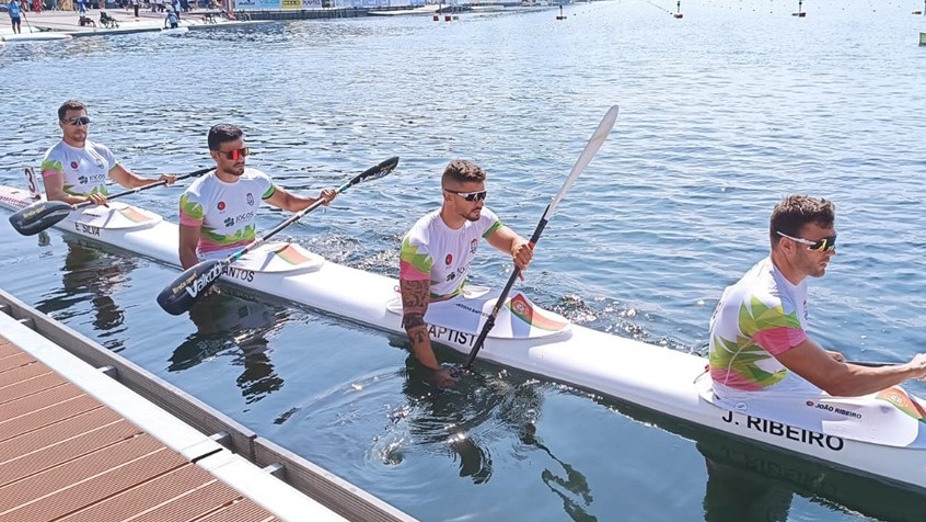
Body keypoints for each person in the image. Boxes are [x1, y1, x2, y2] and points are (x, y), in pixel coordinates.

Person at [708, 195, 926, 401]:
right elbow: (838, 383)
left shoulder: (787, 275)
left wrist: (817, 356)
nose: (831, 253)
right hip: (744, 397)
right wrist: (913, 369)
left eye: (832, 242)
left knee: (887, 393)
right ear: (787, 245)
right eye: (821, 245)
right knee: (882, 403)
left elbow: (776, 336)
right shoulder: (766, 302)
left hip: (775, 378)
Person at [399, 159, 533, 386]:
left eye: (483, 195)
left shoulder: (480, 218)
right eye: (471, 197)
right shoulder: (420, 243)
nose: (479, 202)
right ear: (448, 196)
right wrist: (434, 371)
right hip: (432, 307)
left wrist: (518, 247)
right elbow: (412, 319)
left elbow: (508, 239)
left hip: (459, 297)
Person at [178, 123, 337, 270]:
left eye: (243, 152)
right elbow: (186, 250)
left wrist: (318, 200)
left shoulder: (256, 180)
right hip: (214, 258)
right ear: (215, 155)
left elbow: (288, 203)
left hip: (252, 249)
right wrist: (198, 278)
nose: (240, 159)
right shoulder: (196, 196)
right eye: (233, 154)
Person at [41, 100, 176, 207]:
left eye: (84, 121)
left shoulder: (101, 151)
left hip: (103, 208)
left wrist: (158, 181)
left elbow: (129, 181)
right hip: (74, 212)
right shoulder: (54, 157)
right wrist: (87, 200)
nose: (80, 126)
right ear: (61, 124)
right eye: (73, 121)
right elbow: (54, 196)